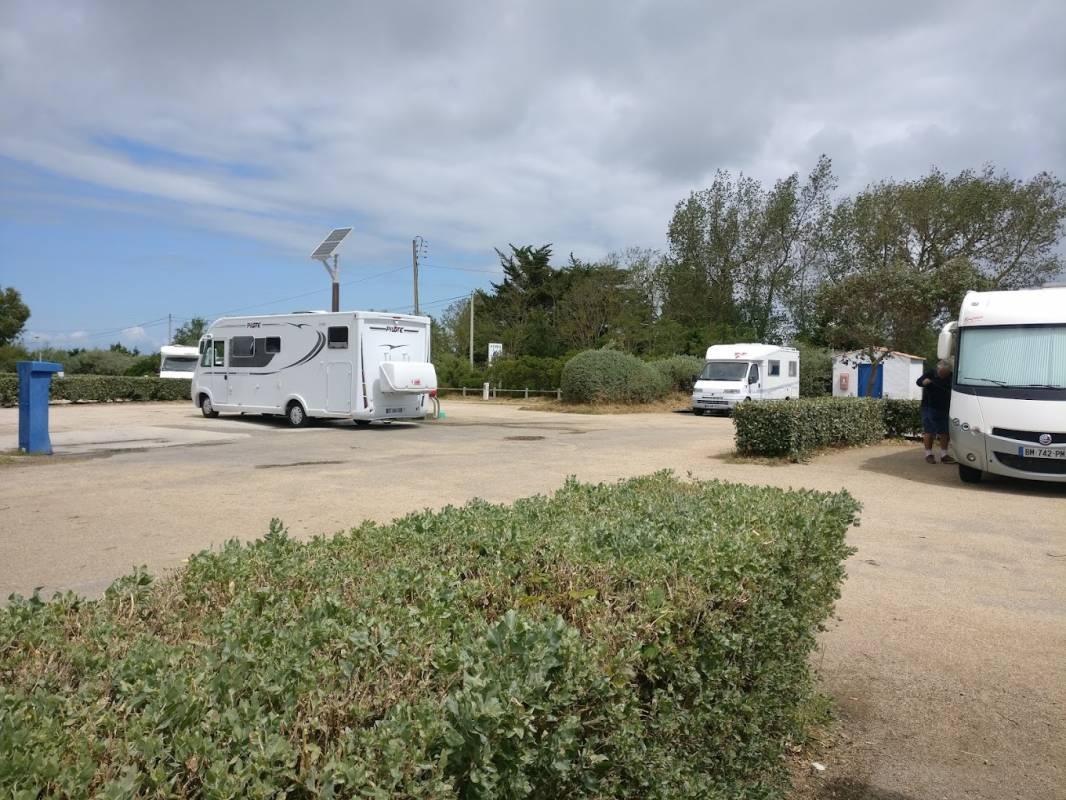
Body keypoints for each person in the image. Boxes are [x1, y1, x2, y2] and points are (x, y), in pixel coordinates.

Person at [917, 360, 954, 464]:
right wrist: (924, 382)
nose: (943, 376)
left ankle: (944, 455)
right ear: (938, 369)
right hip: (929, 407)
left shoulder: (951, 376)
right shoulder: (930, 373)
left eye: (945, 373)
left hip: (945, 407)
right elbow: (918, 382)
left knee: (945, 431)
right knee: (929, 430)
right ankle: (928, 454)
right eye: (941, 373)